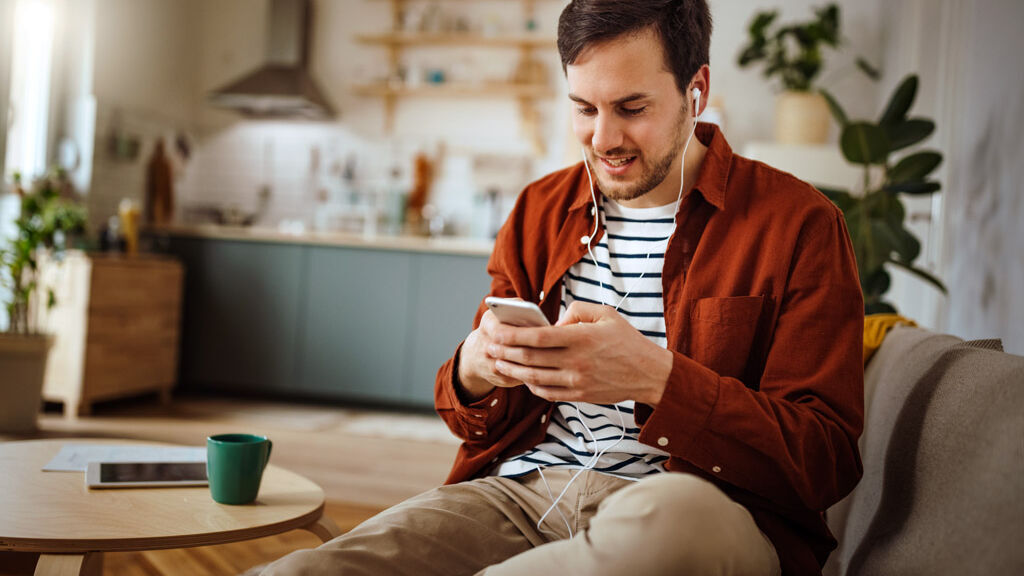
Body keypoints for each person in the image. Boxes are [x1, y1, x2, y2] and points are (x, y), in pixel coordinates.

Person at [261, 1, 863, 574]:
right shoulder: (541, 209)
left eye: (632, 108)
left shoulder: (798, 225)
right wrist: (478, 364)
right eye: (584, 108)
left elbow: (825, 460)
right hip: (525, 494)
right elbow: (467, 414)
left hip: (700, 505)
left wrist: (656, 377)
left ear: (695, 90)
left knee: (673, 524)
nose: (603, 139)